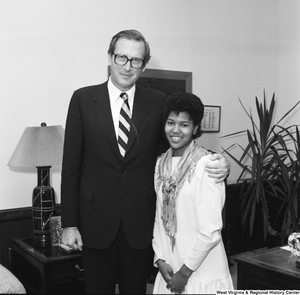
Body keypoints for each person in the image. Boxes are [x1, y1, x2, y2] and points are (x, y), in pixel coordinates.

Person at [60, 29, 230, 294]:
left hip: (139, 225)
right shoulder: (82, 99)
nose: (128, 66)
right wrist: (69, 224)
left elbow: (177, 146)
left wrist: (218, 162)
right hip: (95, 223)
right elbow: (70, 167)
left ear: (143, 65)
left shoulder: (157, 101)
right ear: (110, 58)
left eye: (136, 60)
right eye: (122, 58)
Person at [152, 92, 234, 294]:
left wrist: (185, 273)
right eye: (171, 123)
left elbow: (211, 230)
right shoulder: (160, 164)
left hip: (200, 271)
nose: (175, 130)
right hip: (169, 268)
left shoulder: (208, 165)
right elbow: (158, 217)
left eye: (184, 125)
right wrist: (160, 258)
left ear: (196, 128)